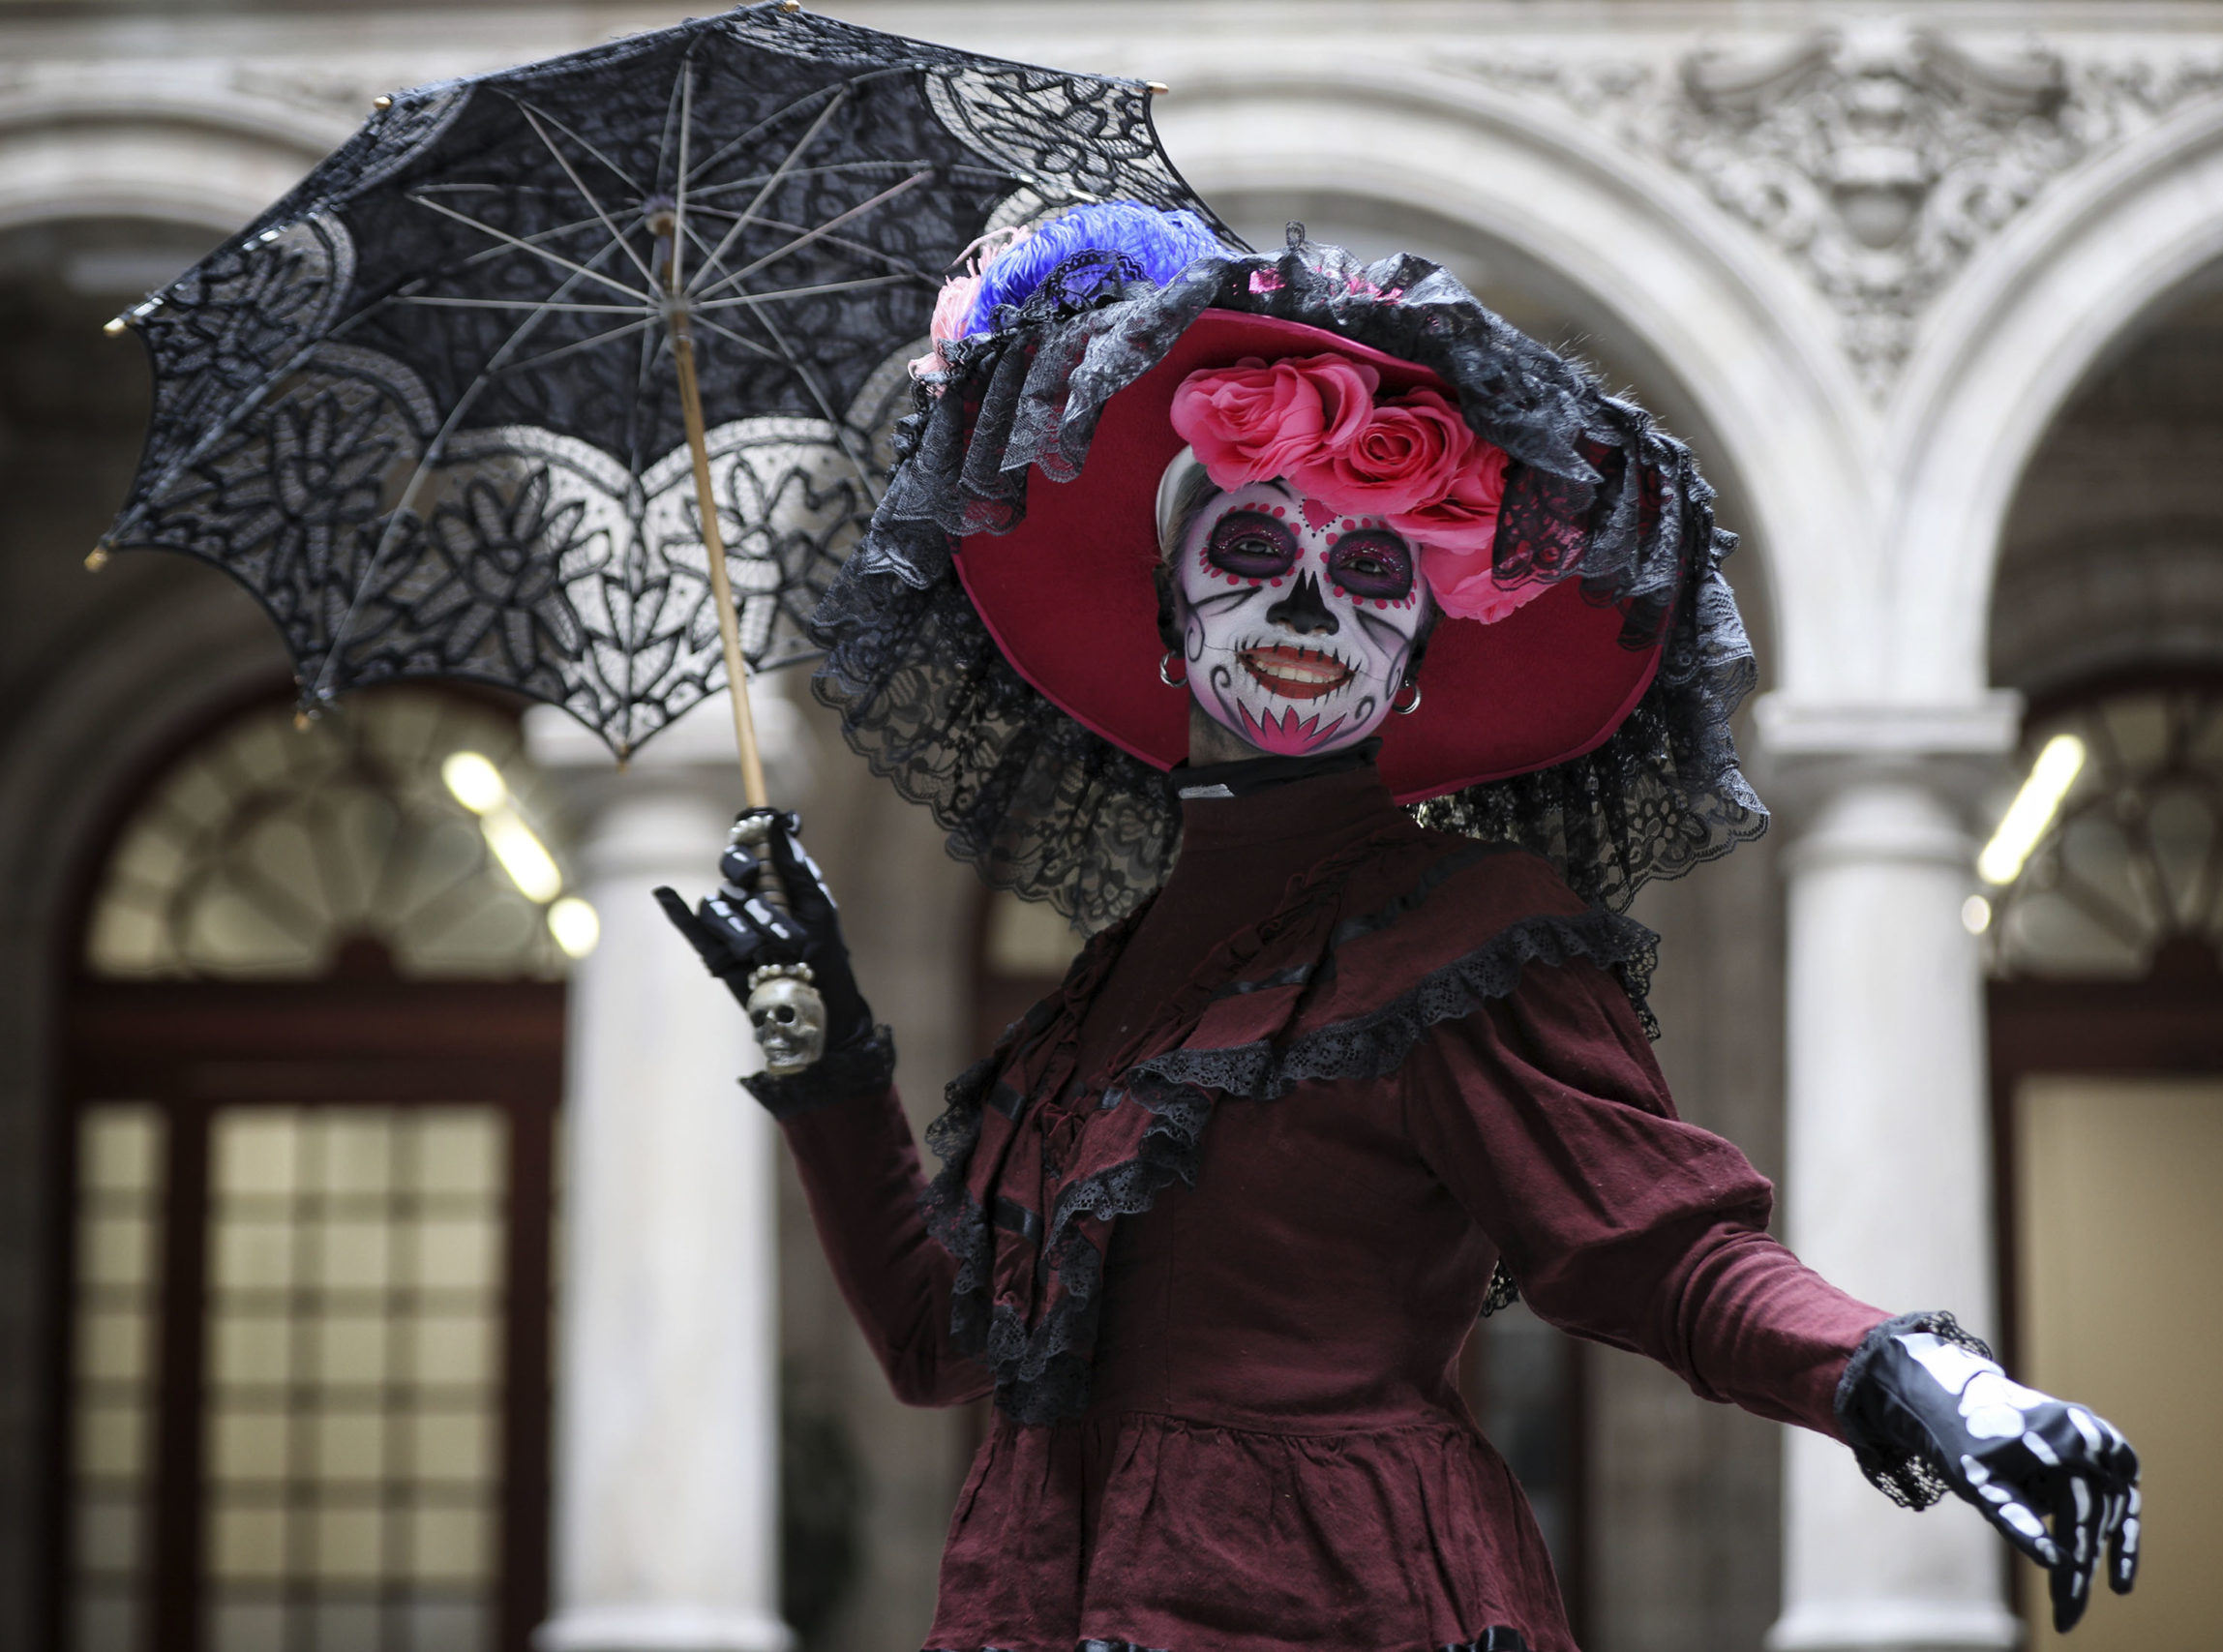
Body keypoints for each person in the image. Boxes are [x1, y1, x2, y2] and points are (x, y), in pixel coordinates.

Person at [658, 204, 2140, 1652]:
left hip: (1338, 1597)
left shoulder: (1459, 932)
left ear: (1419, 649)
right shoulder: (1103, 999)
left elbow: (1664, 1255)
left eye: (1369, 571)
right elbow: (944, 1346)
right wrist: (826, 1045)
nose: (1308, 602)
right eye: (1251, 548)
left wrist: (1928, 1383)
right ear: (1167, 610)